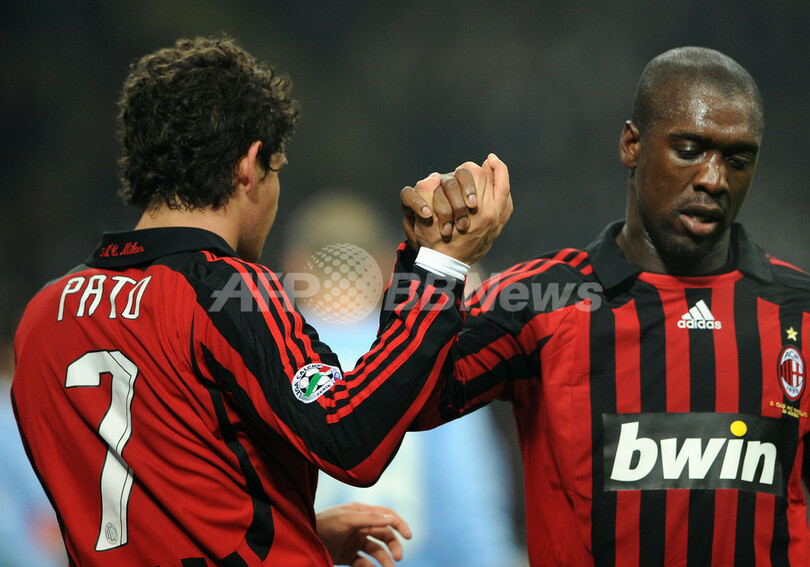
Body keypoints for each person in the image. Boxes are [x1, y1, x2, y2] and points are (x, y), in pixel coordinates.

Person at [10, 35, 511, 567]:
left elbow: (157, 497)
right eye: (277, 169)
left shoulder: (44, 316)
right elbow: (350, 437)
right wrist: (438, 269)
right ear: (250, 167)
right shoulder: (225, 290)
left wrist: (293, 531)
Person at [400, 46, 810, 565]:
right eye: (689, 150)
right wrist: (433, 269)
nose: (714, 178)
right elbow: (400, 407)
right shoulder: (537, 302)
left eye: (738, 160)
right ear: (631, 144)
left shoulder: (800, 312)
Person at [282, 190, 526, 567]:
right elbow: (468, 506)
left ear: (294, 265)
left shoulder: (268, 358)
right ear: (384, 267)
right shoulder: (424, 353)